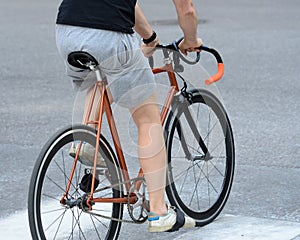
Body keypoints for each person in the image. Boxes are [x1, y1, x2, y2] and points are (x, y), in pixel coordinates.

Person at [55, 0, 202, 233]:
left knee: (98, 78)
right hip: (108, 36)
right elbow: (187, 10)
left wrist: (150, 37)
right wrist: (191, 40)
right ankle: (159, 211)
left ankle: (87, 139)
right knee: (148, 120)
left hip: (67, 31)